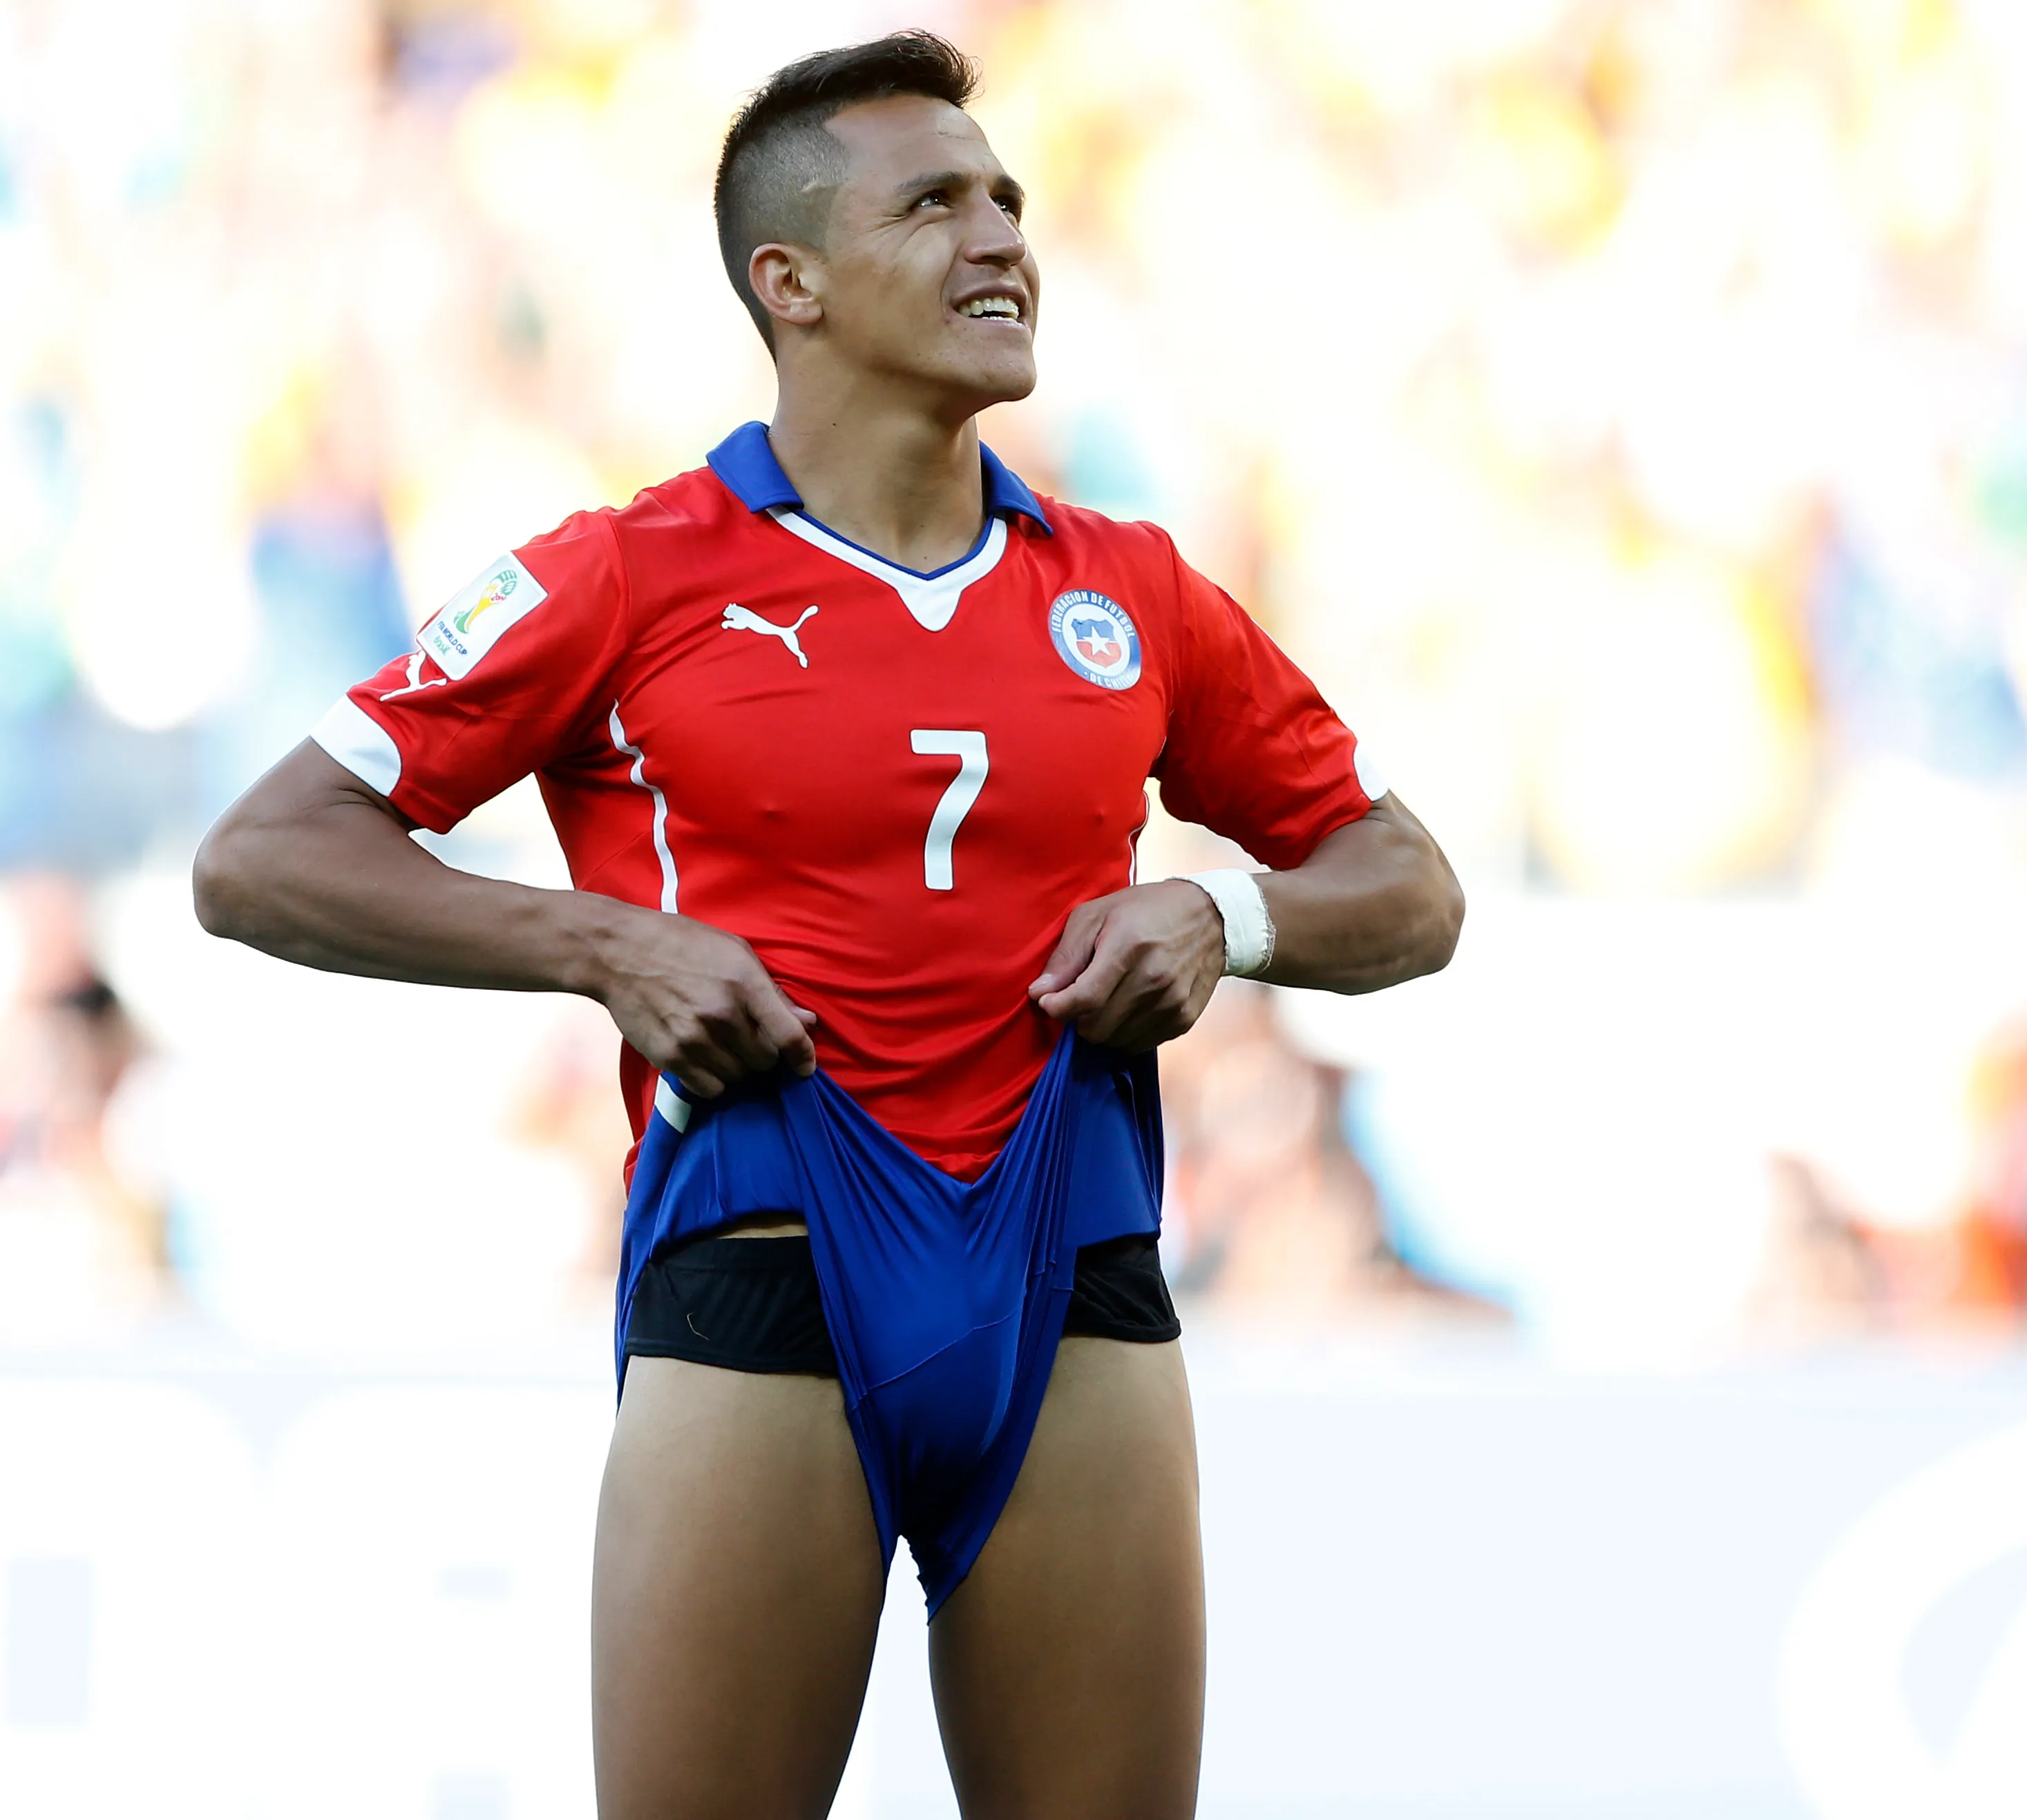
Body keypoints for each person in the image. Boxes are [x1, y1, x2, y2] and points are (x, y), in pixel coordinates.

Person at [191, 30, 1461, 1820]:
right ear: (787, 282)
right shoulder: (629, 572)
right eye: (934, 203)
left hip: (1072, 1272)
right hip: (767, 1262)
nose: (1002, 236)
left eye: (1008, 198)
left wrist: (1223, 912)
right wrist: (602, 945)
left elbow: (1409, 886)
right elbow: (261, 856)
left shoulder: (1133, 588)